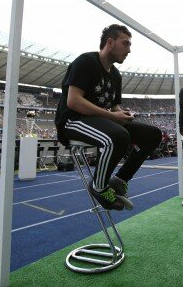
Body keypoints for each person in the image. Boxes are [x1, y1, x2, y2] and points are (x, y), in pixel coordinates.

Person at [55, 24, 162, 211]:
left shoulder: (116, 75)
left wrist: (123, 114)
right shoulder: (86, 61)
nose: (129, 50)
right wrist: (113, 116)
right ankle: (99, 185)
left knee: (153, 134)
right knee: (118, 136)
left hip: (101, 122)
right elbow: (73, 101)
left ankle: (120, 180)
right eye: (126, 43)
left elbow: (113, 106)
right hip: (73, 121)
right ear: (110, 43)